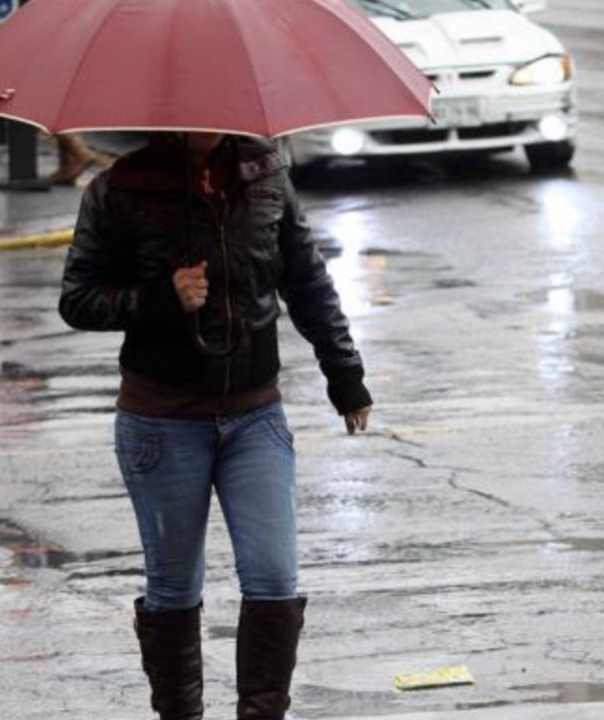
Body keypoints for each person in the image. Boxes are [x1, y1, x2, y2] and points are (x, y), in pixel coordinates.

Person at [59, 132, 372, 720]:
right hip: (162, 420)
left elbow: (306, 281)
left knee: (275, 577)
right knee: (175, 589)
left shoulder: (265, 177)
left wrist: (345, 374)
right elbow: (77, 299)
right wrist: (161, 297)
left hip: (255, 414)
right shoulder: (120, 188)